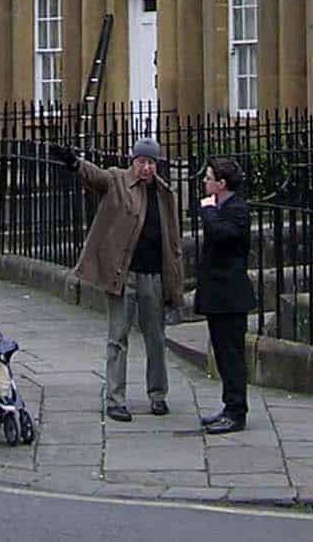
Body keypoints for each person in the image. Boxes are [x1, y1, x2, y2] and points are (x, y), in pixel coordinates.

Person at [51, 135, 183, 421]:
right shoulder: (117, 181)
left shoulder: (164, 194)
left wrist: (175, 282)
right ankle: (115, 398)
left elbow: (172, 242)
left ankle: (158, 394)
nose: (146, 168)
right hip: (124, 274)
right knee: (118, 337)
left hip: (154, 274)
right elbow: (94, 176)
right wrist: (74, 162)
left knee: (156, 338)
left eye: (151, 162)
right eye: (141, 162)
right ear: (132, 161)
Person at [195, 156, 255, 434]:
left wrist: (207, 211)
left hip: (230, 296)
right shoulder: (223, 207)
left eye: (208, 178)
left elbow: (222, 234)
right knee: (221, 352)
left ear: (221, 184)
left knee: (232, 355)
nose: (204, 182)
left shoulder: (237, 209)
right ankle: (228, 406)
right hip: (217, 294)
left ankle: (236, 412)